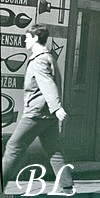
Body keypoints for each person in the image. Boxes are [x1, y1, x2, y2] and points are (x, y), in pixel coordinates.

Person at [1, 24, 72, 194]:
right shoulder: (49, 56)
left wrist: (57, 108)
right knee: (54, 150)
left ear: (34, 39)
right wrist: (55, 110)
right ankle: (67, 185)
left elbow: (47, 84)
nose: (25, 40)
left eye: (27, 37)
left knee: (13, 146)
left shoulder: (39, 59)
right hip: (47, 115)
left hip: (36, 113)